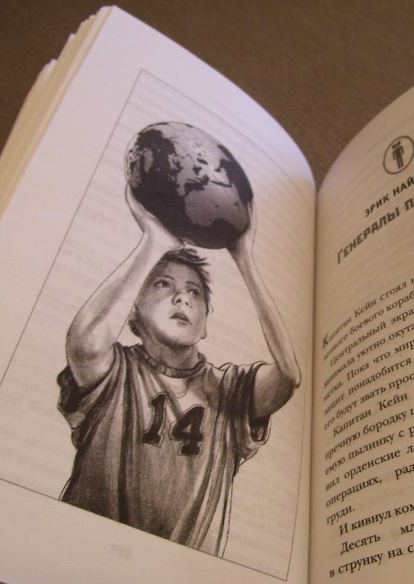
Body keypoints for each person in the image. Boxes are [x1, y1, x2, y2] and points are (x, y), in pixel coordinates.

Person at [57, 188, 300, 556]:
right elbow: (86, 342)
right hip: (81, 558)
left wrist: (244, 258)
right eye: (163, 284)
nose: (182, 298)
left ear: (205, 322)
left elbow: (288, 376)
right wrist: (154, 243)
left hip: (180, 577)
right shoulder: (116, 371)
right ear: (133, 308)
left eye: (194, 292)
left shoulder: (229, 389)